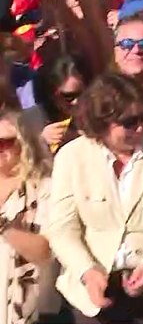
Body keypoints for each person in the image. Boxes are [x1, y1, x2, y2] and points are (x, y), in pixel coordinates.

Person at [46, 73, 143, 324]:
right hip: (92, 291)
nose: (140, 128)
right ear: (101, 123)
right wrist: (87, 272)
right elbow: (61, 228)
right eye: (129, 122)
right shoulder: (71, 157)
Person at [0, 108, 56, 324]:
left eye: (4, 142)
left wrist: (5, 227)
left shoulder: (44, 187)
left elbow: (45, 252)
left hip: (31, 311)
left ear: (23, 143)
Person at [29, 56, 86, 152]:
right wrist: (41, 141)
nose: (76, 101)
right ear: (53, 94)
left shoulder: (94, 112)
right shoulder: (33, 119)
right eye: (69, 96)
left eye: (81, 94)